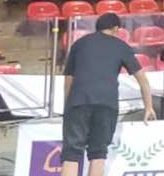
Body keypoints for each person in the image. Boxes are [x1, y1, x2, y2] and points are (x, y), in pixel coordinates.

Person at [60, 13, 154, 176]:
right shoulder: (121, 46)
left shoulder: (79, 44)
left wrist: (67, 104)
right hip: (107, 103)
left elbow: (69, 79)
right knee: (98, 153)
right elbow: (142, 79)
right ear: (116, 28)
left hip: (78, 101)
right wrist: (149, 107)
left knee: (72, 153)